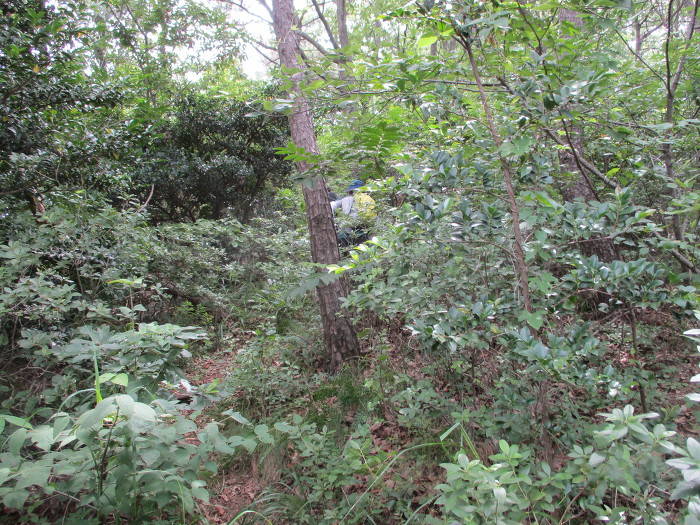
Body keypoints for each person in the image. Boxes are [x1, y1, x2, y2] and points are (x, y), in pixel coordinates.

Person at [330, 180, 376, 247]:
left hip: (345, 234)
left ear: (350, 191)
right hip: (363, 233)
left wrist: (333, 221)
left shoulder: (344, 199)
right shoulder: (368, 199)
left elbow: (331, 205)